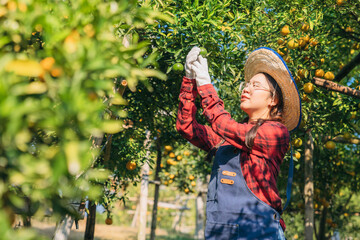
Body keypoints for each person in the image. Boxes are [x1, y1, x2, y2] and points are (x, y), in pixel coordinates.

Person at [176, 46, 301, 239]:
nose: (247, 88)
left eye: (256, 85)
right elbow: (187, 127)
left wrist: (205, 85)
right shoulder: (227, 139)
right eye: (247, 84)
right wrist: (189, 81)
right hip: (220, 231)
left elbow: (223, 123)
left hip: (258, 231)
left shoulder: (276, 133)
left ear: (273, 99)